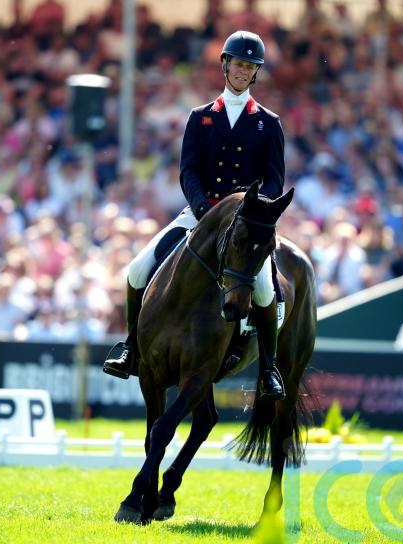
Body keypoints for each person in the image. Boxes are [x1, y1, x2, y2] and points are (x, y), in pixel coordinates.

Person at [104, 30, 287, 401]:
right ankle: (131, 348)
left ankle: (268, 370)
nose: (243, 71)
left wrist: (251, 209)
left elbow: (274, 179)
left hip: (245, 223)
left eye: (250, 66)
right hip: (202, 213)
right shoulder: (200, 117)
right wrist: (204, 209)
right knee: (138, 268)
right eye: (238, 64)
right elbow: (188, 170)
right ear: (226, 65)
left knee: (266, 290)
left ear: (255, 72)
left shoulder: (269, 122)